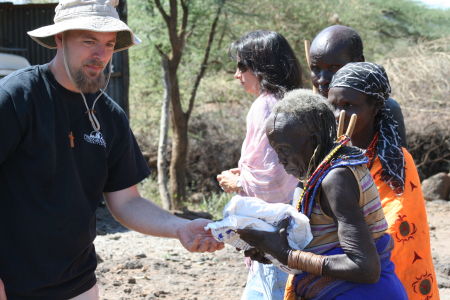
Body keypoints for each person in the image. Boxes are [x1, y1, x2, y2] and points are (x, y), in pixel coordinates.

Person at [0, 0, 223, 299]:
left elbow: (127, 201)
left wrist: (179, 227)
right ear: (59, 39)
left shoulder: (109, 115)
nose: (100, 55)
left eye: (108, 43)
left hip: (79, 284)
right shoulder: (17, 98)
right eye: (89, 41)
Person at [237, 89, 407, 300]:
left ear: (313, 141)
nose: (280, 159)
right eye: (275, 150)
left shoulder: (336, 179)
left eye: (285, 149)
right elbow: (322, 243)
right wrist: (270, 250)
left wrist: (287, 255)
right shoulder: (315, 175)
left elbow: (365, 267)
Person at [327, 62, 439, 300]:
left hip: (384, 276)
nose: (339, 115)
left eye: (349, 106)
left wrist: (345, 247)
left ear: (375, 106)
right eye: (333, 106)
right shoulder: (328, 156)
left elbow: (397, 226)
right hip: (338, 268)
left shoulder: (395, 162)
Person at [216, 30, 301, 300]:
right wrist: (246, 172)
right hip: (294, 231)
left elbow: (274, 182)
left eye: (243, 66)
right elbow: (285, 169)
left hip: (271, 234)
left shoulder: (264, 106)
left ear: (263, 68)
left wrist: (238, 182)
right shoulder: (295, 102)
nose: (237, 75)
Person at [308, 24, 407, 147]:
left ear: (358, 63)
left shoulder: (384, 109)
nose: (322, 80)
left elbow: (399, 160)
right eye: (315, 68)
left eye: (333, 67)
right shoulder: (309, 113)